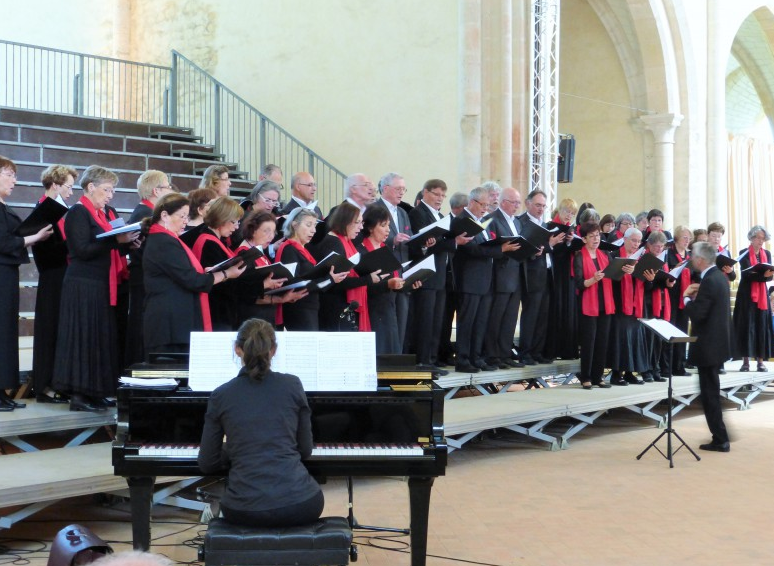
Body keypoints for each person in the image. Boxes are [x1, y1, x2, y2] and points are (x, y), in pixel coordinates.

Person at [198, 318, 324, 527]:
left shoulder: (221, 395)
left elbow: (207, 463)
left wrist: (235, 449)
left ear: (238, 349)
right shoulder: (293, 385)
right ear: (273, 350)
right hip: (301, 503)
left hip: (243, 508)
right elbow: (305, 450)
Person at [52, 165, 139, 413]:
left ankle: (94, 391)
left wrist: (127, 243)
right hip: (82, 284)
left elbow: (104, 248)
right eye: (107, 189)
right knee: (83, 337)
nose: (110, 195)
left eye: (112, 190)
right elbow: (81, 250)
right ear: (91, 187)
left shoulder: (100, 215)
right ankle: (79, 395)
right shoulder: (79, 212)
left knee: (98, 338)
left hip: (97, 283)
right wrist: (115, 240)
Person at [142, 193, 244, 355]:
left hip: (175, 323)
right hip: (170, 325)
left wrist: (207, 273)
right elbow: (193, 281)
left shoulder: (166, 239)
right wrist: (226, 274)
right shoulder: (164, 242)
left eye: (187, 216)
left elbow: (184, 275)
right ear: (164, 216)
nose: (186, 221)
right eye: (182, 216)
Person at [0, 156, 53, 410]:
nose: (14, 180)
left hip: (7, 274)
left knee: (6, 330)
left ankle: (2, 391)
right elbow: (3, 243)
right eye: (9, 174)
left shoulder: (4, 206)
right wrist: (33, 237)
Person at [453, 186, 520, 373]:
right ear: (472, 202)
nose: (485, 208)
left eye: (488, 205)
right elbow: (473, 249)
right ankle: (463, 359)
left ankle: (476, 356)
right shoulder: (462, 221)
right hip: (469, 280)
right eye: (482, 204)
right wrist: (501, 250)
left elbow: (485, 243)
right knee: (467, 323)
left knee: (480, 322)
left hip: (485, 280)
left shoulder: (483, 220)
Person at [408, 180, 470, 373]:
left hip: (441, 274)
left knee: (438, 320)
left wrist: (452, 240)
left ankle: (432, 359)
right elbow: (422, 242)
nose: (440, 199)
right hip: (426, 273)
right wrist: (454, 242)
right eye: (436, 194)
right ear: (425, 192)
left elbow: (441, 241)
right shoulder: (417, 213)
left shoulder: (441, 216)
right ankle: (423, 359)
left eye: (443, 196)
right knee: (425, 320)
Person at [30, 164, 76, 404]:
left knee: (59, 331)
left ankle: (57, 382)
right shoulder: (44, 211)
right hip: (52, 278)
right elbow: (47, 253)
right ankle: (44, 386)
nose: (70, 191)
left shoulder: (55, 212)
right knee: (49, 332)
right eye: (68, 186)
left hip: (60, 277)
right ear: (55, 185)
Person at [683, 242, 731, 452]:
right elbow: (709, 308)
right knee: (711, 391)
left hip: (708, 346)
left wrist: (686, 298)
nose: (692, 259)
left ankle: (721, 439)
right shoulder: (719, 277)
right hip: (717, 344)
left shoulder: (709, 280)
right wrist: (697, 297)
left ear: (701, 260)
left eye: (694, 256)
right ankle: (721, 435)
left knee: (709, 393)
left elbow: (698, 315)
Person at [126, 170, 175, 366]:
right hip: (144, 279)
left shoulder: (145, 212)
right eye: (167, 187)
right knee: (142, 328)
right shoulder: (146, 214)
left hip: (143, 277)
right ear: (156, 191)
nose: (170, 190)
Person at [315, 202, 384, 331]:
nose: (361, 227)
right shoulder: (334, 242)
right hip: (333, 308)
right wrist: (368, 279)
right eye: (357, 222)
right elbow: (337, 282)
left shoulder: (344, 241)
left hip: (342, 305)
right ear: (345, 221)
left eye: (362, 223)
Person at [275, 208, 347, 330]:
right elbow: (294, 283)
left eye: (314, 226)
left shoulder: (303, 250)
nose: (313, 230)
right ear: (294, 224)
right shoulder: (289, 249)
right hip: (298, 309)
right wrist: (329, 279)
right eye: (308, 225)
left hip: (309, 307)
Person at [234, 210, 307, 326]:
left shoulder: (259, 252)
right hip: (252, 320)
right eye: (266, 231)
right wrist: (279, 297)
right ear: (253, 231)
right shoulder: (244, 254)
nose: (271, 236)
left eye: (273, 231)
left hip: (265, 316)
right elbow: (244, 293)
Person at [518, 190, 567, 365]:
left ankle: (538, 351)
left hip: (547, 273)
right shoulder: (521, 222)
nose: (541, 209)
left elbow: (549, 249)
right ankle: (526, 352)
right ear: (528, 203)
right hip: (531, 274)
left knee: (543, 315)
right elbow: (527, 250)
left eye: (544, 206)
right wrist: (549, 245)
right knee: (531, 315)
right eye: (538, 205)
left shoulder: (545, 225)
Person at [484, 187, 525, 368]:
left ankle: (505, 353)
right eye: (514, 202)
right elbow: (487, 247)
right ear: (503, 202)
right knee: (496, 317)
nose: (517, 206)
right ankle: (492, 355)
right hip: (499, 274)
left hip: (515, 274)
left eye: (518, 202)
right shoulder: (492, 220)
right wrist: (503, 249)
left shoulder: (516, 222)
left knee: (510, 318)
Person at [359, 204, 409, 354]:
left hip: (389, 307)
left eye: (388, 225)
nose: (388, 229)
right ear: (371, 227)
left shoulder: (384, 248)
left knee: (392, 352)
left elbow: (392, 280)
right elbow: (363, 284)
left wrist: (409, 283)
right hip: (372, 310)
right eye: (383, 225)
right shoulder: (361, 251)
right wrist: (388, 284)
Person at [374, 172, 413, 348]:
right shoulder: (375, 209)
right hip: (385, 273)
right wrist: (393, 240)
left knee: (402, 320)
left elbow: (408, 237)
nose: (401, 192)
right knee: (387, 323)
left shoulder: (403, 212)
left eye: (404, 189)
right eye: (398, 189)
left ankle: (399, 360)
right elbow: (371, 238)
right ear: (385, 188)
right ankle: (387, 361)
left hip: (402, 272)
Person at [573, 222, 614, 389]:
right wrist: (593, 279)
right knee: (589, 342)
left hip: (605, 302)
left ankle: (598, 376)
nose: (596, 239)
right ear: (584, 239)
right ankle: (586, 377)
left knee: (602, 341)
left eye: (598, 235)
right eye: (592, 236)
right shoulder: (579, 257)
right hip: (589, 303)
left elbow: (613, 276)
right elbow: (579, 284)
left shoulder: (605, 255)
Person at [607, 227, 650, 385]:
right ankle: (616, 373)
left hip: (636, 305)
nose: (636, 244)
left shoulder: (642, 258)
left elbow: (647, 286)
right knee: (621, 338)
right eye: (633, 240)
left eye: (639, 241)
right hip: (620, 304)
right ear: (624, 239)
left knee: (634, 338)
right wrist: (626, 272)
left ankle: (630, 373)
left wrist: (649, 278)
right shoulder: (614, 255)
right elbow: (611, 279)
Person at [733, 225, 773, 372]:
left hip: (762, 295)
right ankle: (745, 362)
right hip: (746, 295)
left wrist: (764, 276)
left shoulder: (767, 253)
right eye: (758, 238)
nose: (760, 241)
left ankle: (760, 362)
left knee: (761, 326)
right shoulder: (743, 253)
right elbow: (746, 275)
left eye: (763, 238)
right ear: (751, 238)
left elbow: (770, 276)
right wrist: (763, 276)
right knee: (747, 326)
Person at [545, 197, 579, 360]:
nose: (569, 216)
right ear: (559, 210)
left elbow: (572, 251)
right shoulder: (551, 227)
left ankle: (568, 349)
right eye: (567, 211)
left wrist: (571, 242)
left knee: (569, 309)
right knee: (557, 308)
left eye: (572, 213)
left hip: (569, 274)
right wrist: (562, 244)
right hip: (556, 273)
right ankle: (554, 349)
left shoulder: (570, 229)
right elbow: (553, 252)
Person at [642, 230, 673, 382]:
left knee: (659, 339)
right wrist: (651, 280)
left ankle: (656, 369)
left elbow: (664, 284)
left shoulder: (663, 261)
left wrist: (669, 282)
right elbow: (645, 287)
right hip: (648, 303)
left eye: (662, 246)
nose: (659, 249)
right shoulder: (645, 260)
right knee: (650, 338)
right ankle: (647, 370)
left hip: (661, 303)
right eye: (656, 246)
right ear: (649, 245)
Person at [667, 225, 693, 376]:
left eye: (689, 238)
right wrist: (674, 268)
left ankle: (680, 365)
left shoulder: (690, 256)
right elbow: (666, 273)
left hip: (685, 297)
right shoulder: (669, 254)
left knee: (682, 332)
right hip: (672, 296)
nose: (687, 241)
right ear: (677, 238)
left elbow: (695, 274)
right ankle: (669, 366)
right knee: (671, 331)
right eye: (684, 238)